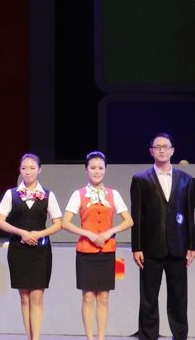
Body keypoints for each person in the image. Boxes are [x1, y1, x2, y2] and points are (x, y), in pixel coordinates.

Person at [130, 133, 195, 340]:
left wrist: (192, 246)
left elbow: (190, 215)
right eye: (157, 147)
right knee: (148, 299)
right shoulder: (140, 179)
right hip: (150, 250)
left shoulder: (186, 180)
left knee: (179, 299)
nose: (161, 150)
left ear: (172, 150)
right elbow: (136, 216)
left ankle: (180, 336)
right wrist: (136, 247)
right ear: (151, 151)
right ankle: (148, 336)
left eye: (165, 146)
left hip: (178, 249)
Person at [62, 151, 132, 340]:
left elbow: (129, 221)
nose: (97, 171)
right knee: (88, 296)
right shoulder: (79, 194)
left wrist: (110, 232)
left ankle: (101, 337)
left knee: (104, 296)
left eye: (100, 168)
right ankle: (90, 338)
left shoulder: (113, 194)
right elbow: (65, 223)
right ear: (86, 170)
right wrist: (88, 234)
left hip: (108, 251)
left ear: (105, 170)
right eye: (92, 168)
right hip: (85, 251)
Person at [0, 153, 62, 340]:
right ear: (19, 170)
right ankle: (29, 337)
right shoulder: (11, 194)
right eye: (24, 168)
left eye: (32, 168)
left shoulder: (48, 195)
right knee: (24, 297)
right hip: (18, 250)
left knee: (37, 297)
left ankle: (36, 338)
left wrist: (38, 234)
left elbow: (58, 223)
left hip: (40, 251)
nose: (28, 172)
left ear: (39, 170)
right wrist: (22, 233)